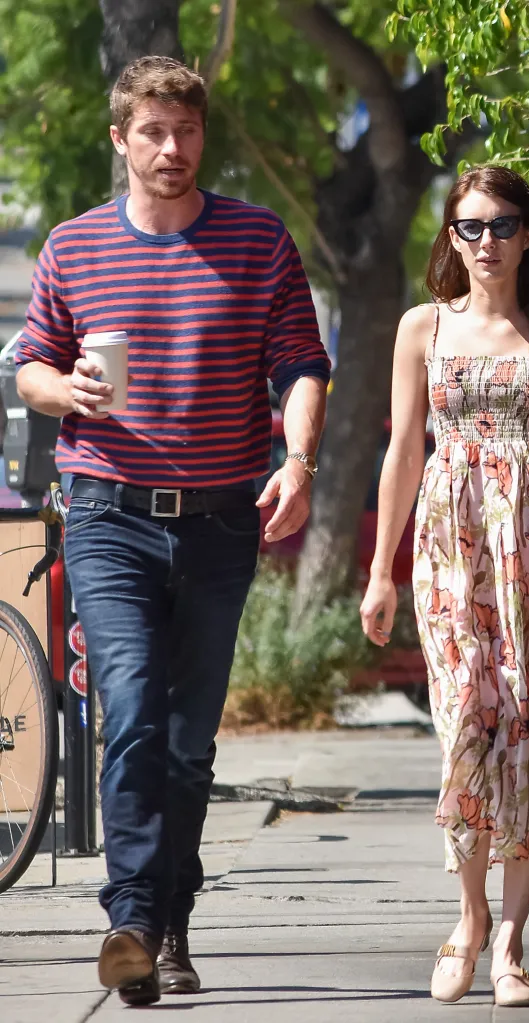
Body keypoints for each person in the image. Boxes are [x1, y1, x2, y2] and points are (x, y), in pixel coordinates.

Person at [15, 57, 329, 1005]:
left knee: (189, 740)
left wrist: (299, 460)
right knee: (134, 711)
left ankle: (171, 920)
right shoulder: (72, 247)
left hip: (223, 517)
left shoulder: (257, 239)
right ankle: (130, 919)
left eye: (185, 132)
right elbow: (30, 364)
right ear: (121, 139)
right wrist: (61, 387)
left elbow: (301, 367)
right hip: (107, 511)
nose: (170, 149)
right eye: (151, 132)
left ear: (203, 136)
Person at [361, 166, 529, 1008]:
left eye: (502, 225)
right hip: (451, 546)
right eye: (468, 227)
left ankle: (509, 941)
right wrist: (380, 573)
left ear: (528, 234)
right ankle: (466, 919)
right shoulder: (421, 327)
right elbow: (402, 452)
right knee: (469, 714)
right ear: (450, 237)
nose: (485, 242)